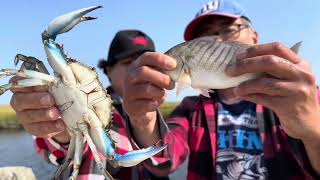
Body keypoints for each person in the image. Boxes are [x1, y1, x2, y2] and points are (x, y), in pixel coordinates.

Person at [122, 0, 320, 179]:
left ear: (254, 37)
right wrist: (143, 121)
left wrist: (312, 130)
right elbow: (165, 162)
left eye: (229, 29)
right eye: (206, 36)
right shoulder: (191, 108)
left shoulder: (300, 96)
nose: (219, 41)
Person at [10, 29, 163, 179]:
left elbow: (165, 160)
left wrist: (148, 127)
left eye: (148, 65)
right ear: (108, 69)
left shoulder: (163, 119)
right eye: (129, 63)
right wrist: (59, 132)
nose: (139, 70)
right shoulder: (107, 109)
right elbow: (58, 152)